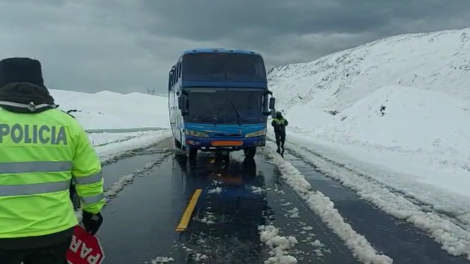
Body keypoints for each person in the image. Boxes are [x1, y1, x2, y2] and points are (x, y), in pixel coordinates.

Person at [0, 57, 105, 264]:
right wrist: (92, 212)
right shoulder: (68, 124)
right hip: (54, 232)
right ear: (40, 84)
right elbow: (89, 175)